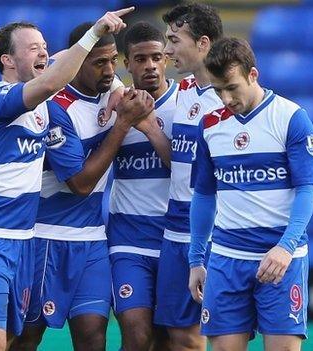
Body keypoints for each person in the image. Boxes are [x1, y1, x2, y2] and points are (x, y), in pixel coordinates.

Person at [0, 8, 134, 351]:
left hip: (23, 242)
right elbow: (53, 78)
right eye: (32, 48)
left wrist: (117, 89)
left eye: (45, 46)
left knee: (11, 341)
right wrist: (95, 30)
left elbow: (70, 62)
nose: (43, 53)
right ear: (7, 60)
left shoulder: (43, 106)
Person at [10, 22, 155, 351]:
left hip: (92, 239)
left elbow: (106, 71)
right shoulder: (55, 107)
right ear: (78, 62)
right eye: (98, 63)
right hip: (47, 236)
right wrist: (122, 124)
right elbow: (80, 183)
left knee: (92, 337)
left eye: (113, 61)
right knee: (28, 336)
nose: (109, 71)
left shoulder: (109, 83)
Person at [188, 37, 313, 351]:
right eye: (218, 90)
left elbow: (308, 189)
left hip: (279, 258)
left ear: (253, 75)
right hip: (226, 257)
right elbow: (205, 195)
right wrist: (197, 259)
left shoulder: (290, 117)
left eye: (231, 87)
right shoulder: (209, 125)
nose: (225, 98)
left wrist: (286, 246)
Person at [154, 3, 223, 350]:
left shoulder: (232, 99)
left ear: (203, 43)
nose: (167, 50)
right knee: (179, 336)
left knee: (213, 336)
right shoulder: (183, 92)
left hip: (216, 229)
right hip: (175, 226)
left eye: (174, 40)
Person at [107, 21, 178, 351]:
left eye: (156, 57)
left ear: (166, 58)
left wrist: (149, 128)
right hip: (128, 238)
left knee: (168, 338)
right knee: (136, 335)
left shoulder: (187, 104)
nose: (149, 65)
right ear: (126, 62)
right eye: (140, 59)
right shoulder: (113, 104)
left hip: (174, 238)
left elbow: (185, 174)